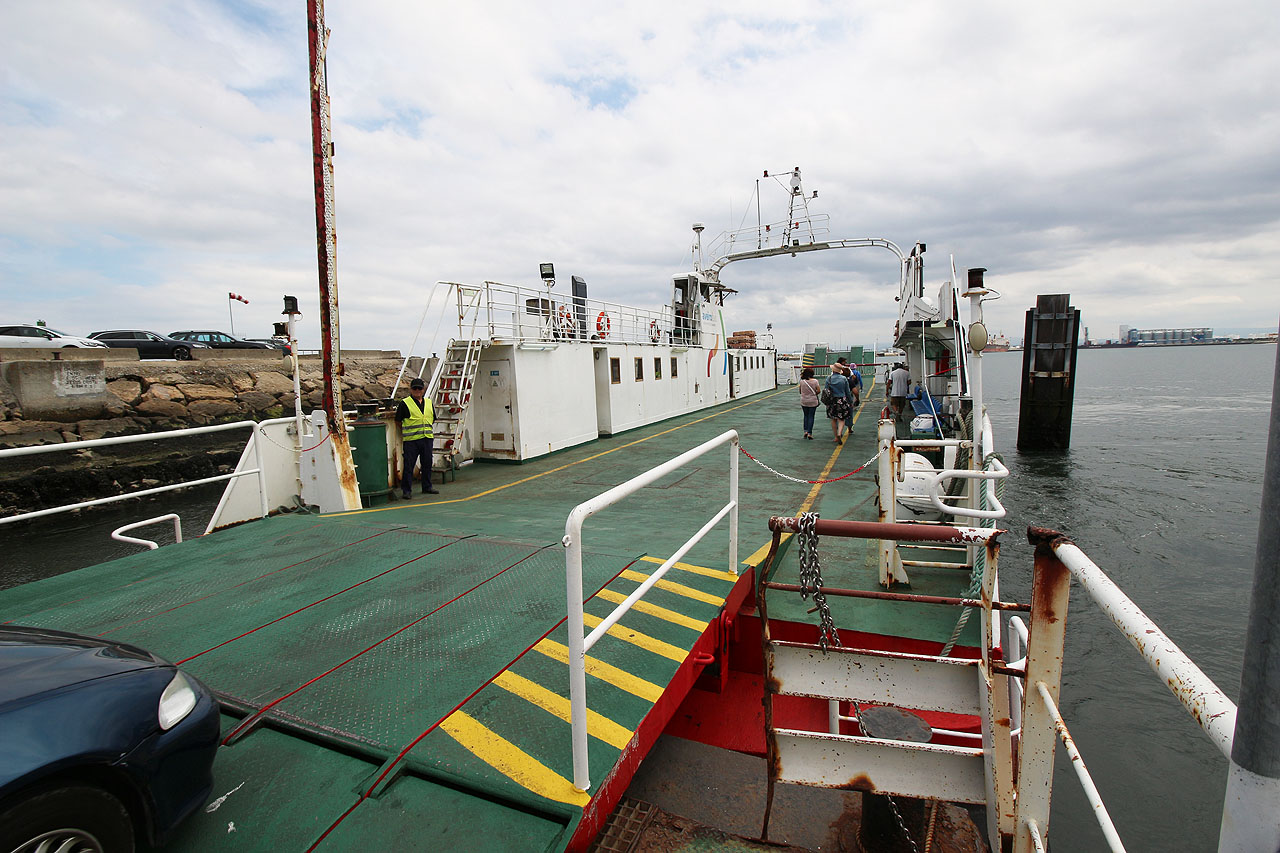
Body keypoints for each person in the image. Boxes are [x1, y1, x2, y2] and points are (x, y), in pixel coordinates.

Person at [396, 378, 438, 497]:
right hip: (411, 441)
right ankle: (406, 491)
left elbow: (433, 418)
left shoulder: (429, 402)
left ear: (423, 390)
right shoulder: (404, 403)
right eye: (415, 388)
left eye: (419, 388)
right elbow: (398, 421)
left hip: (427, 438)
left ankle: (427, 486)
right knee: (409, 466)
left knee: (427, 464)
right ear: (411, 389)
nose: (417, 390)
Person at [824, 366, 852, 444]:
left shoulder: (829, 378)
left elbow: (826, 389)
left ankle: (836, 436)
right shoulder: (843, 379)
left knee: (833, 419)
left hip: (831, 400)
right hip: (841, 399)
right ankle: (840, 433)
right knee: (841, 419)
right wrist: (850, 401)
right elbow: (847, 391)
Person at [797, 367, 821, 439]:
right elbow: (819, 391)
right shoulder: (815, 381)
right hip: (813, 401)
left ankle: (805, 431)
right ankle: (810, 433)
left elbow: (800, 391)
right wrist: (814, 394)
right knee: (811, 416)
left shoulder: (802, 382)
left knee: (806, 416)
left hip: (804, 400)